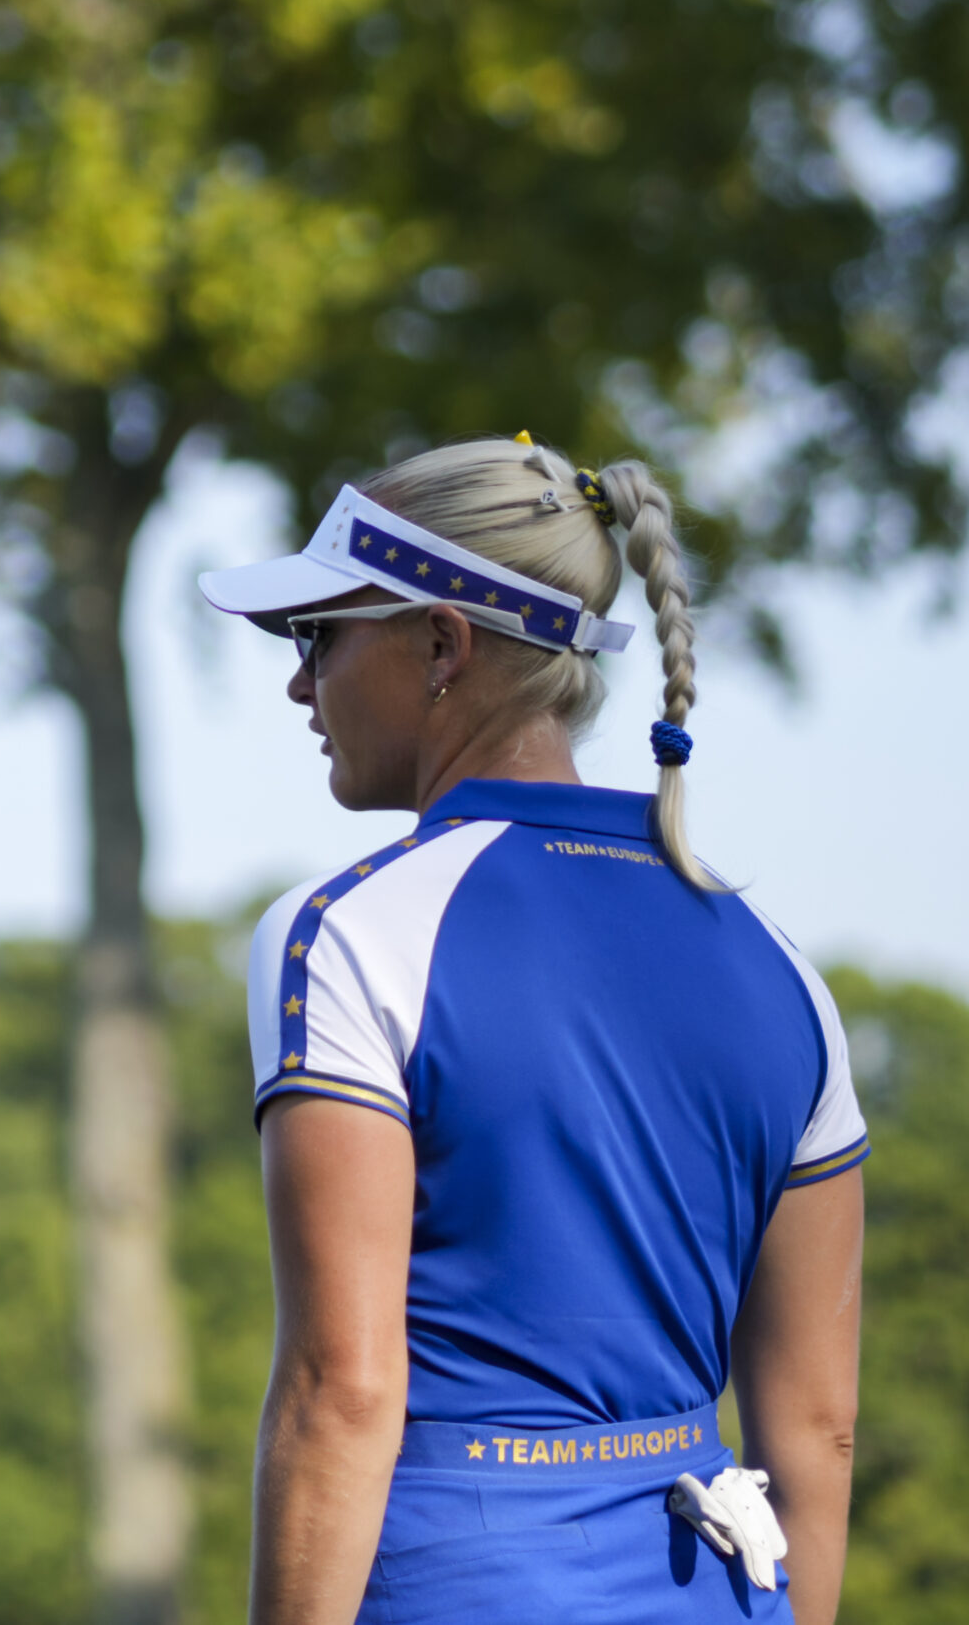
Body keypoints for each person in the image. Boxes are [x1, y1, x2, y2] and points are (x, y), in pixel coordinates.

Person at [199, 437, 867, 1624]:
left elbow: (342, 1393)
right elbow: (816, 1426)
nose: (300, 687)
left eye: (319, 637)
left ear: (442, 643)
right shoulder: (779, 967)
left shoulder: (347, 932)